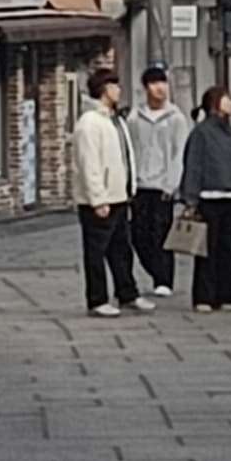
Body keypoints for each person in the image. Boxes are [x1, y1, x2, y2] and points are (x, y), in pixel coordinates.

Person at [71, 68, 139, 318]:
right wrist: (97, 198)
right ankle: (97, 299)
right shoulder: (90, 123)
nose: (119, 90)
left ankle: (127, 292)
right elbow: (89, 164)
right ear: (104, 89)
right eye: (115, 86)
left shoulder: (115, 119)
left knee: (121, 248)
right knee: (96, 251)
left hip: (119, 195)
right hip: (100, 199)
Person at [181, 82, 231, 310]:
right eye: (227, 98)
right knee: (207, 249)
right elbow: (193, 165)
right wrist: (190, 199)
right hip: (209, 197)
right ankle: (204, 296)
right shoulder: (201, 132)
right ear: (214, 103)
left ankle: (225, 294)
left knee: (227, 248)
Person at [128, 65, 186, 301]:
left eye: (163, 83)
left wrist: (171, 185)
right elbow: (130, 150)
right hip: (140, 185)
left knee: (161, 233)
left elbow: (178, 153)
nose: (159, 88)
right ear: (145, 88)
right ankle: (154, 270)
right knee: (138, 235)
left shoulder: (176, 118)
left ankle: (164, 280)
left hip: (163, 186)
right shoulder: (134, 117)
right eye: (154, 83)